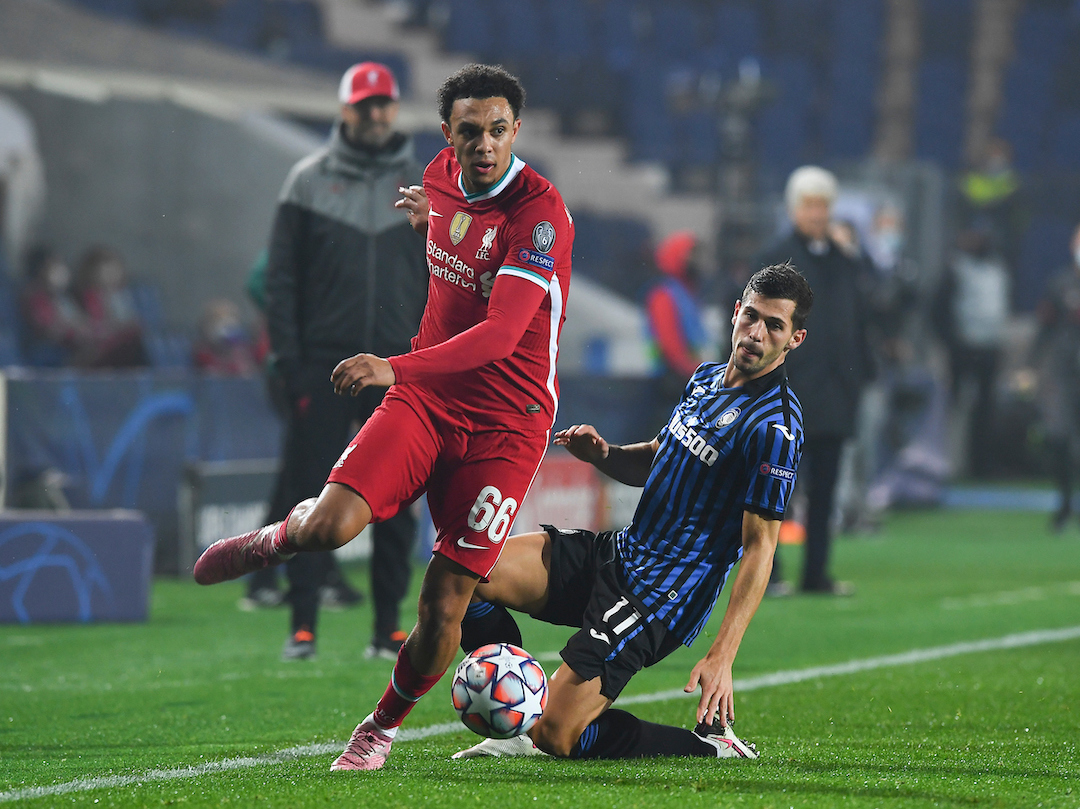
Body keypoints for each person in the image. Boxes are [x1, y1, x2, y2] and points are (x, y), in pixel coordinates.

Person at [193, 63, 575, 770]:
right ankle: (279, 538)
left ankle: (379, 726)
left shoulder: (539, 216)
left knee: (445, 603)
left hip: (507, 426)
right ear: (446, 135)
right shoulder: (436, 178)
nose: (485, 144)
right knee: (329, 528)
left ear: (516, 131)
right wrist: (431, 226)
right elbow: (457, 249)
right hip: (428, 403)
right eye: (470, 132)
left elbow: (496, 336)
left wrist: (392, 364)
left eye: (498, 130)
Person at [450, 263, 811, 762]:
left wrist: (722, 654)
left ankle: (707, 747)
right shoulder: (705, 378)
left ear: (795, 339)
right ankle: (514, 717)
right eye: (752, 316)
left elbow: (760, 547)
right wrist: (605, 455)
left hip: (659, 596)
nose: (757, 333)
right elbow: (660, 457)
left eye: (775, 325)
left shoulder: (776, 427)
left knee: (557, 736)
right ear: (735, 314)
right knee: (464, 571)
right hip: (619, 552)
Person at [251, 61, 430, 661]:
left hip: (399, 366)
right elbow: (281, 283)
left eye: (385, 104)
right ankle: (302, 625)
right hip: (324, 367)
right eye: (366, 104)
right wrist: (291, 365)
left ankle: (387, 630)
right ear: (345, 110)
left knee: (397, 502)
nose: (376, 114)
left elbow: (447, 277)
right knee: (308, 498)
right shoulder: (306, 181)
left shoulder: (427, 183)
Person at [755, 166, 873, 596]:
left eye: (823, 205)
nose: (817, 213)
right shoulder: (775, 258)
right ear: (793, 209)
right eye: (809, 205)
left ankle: (816, 574)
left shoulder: (846, 261)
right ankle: (768, 574)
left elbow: (866, 317)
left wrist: (860, 377)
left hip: (836, 394)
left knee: (824, 493)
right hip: (787, 394)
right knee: (773, 492)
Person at [933, 223, 1010, 479]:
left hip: (990, 347)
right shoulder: (955, 268)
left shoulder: (997, 268)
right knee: (955, 407)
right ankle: (949, 463)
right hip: (963, 349)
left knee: (985, 408)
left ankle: (982, 465)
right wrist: (952, 343)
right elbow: (937, 312)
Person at [1035, 221, 1080, 532]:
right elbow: (1045, 326)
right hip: (1065, 371)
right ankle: (1064, 505)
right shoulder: (1061, 282)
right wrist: (1029, 365)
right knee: (1060, 437)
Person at [643, 230, 709, 434]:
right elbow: (671, 348)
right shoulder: (664, 295)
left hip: (685, 381)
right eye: (691, 256)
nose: (698, 262)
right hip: (669, 384)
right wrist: (696, 372)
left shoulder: (686, 293)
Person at [72, 245, 149, 368]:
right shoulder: (90, 296)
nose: (112, 275)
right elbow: (92, 324)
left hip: (120, 341)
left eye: (114, 270)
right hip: (100, 344)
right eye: (107, 271)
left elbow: (128, 318)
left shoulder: (121, 295)